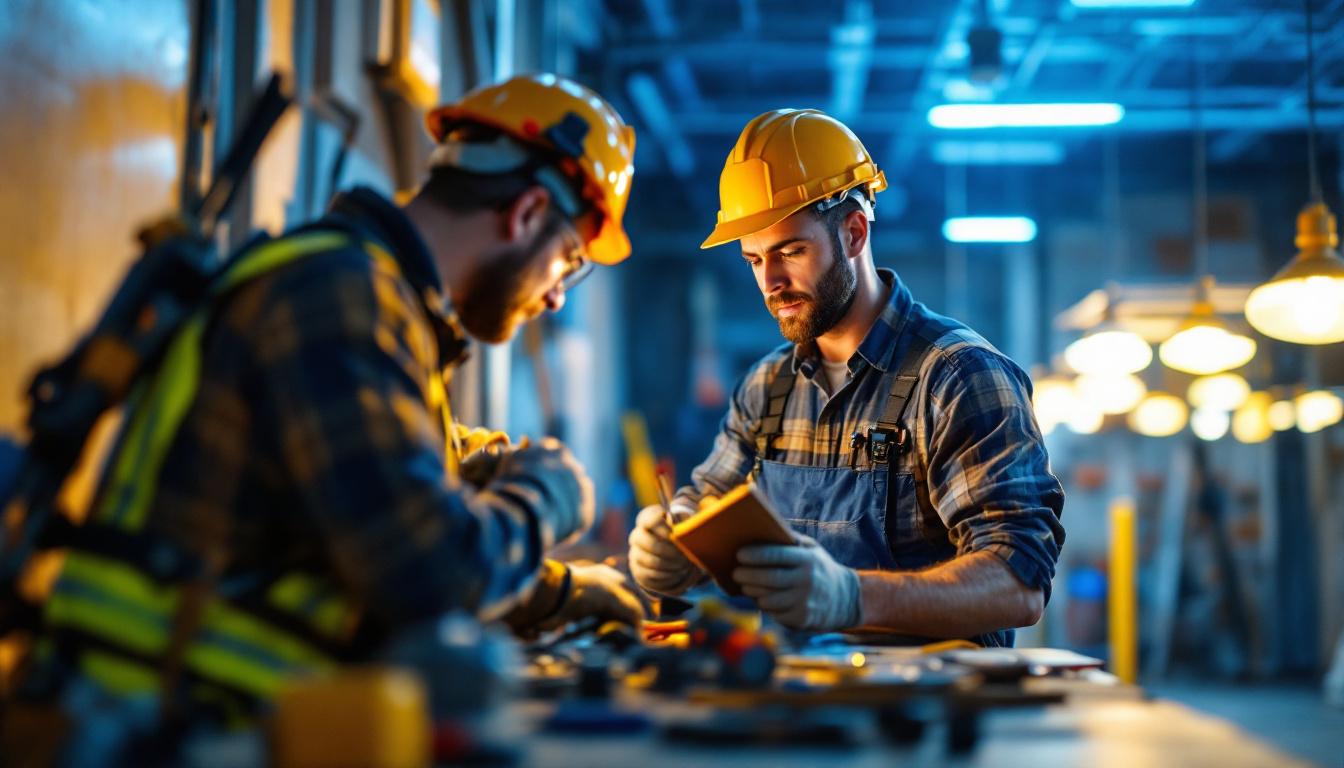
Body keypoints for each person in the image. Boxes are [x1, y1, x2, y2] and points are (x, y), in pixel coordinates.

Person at [19, 74, 642, 722]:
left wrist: (558, 592)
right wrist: (547, 494)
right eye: (567, 260)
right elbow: (428, 574)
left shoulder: (372, 303)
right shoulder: (338, 297)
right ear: (528, 214)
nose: (556, 296)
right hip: (156, 725)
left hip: (190, 714)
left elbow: (385, 514)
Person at [628, 109, 1065, 647]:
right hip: (796, 704)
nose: (772, 282)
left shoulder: (957, 378)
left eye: (791, 251)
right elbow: (708, 509)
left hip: (929, 714)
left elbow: (1017, 585)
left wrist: (854, 598)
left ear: (854, 232)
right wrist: (674, 549)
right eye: (753, 260)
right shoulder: (767, 387)